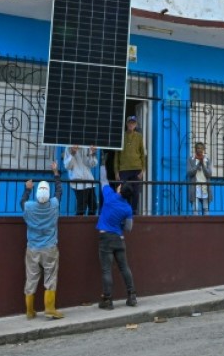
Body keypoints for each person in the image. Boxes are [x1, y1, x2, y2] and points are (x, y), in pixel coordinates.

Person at [20, 162, 64, 320]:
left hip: (32, 248)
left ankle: (30, 311)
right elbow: (59, 191)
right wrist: (56, 173)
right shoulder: (54, 205)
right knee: (50, 277)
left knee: (31, 278)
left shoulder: (30, 207)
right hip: (50, 248)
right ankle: (50, 308)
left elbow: (22, 202)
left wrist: (27, 189)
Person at [96, 174, 137, 310]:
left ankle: (107, 299)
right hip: (119, 239)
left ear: (119, 189)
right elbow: (129, 228)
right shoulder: (127, 208)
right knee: (124, 267)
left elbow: (103, 180)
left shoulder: (110, 197)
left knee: (107, 269)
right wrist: (120, 224)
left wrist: (102, 165)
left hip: (106, 238)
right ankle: (132, 296)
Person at [115, 115, 146, 214]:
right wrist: (116, 171)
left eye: (133, 123)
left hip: (136, 168)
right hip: (124, 169)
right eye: (129, 122)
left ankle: (134, 211)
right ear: (126, 124)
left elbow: (142, 154)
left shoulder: (139, 137)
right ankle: (125, 210)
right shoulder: (121, 136)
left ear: (136, 124)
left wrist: (143, 170)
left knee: (135, 192)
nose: (131, 124)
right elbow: (117, 155)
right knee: (124, 191)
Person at [63, 145, 98, 216]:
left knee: (93, 206)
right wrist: (72, 153)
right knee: (81, 208)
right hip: (78, 183)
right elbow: (68, 166)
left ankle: (90, 225)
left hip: (89, 181)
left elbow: (92, 164)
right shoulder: (68, 147)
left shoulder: (87, 146)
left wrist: (93, 153)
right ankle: (78, 225)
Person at [187, 142, 213, 215]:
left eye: (201, 148)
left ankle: (206, 223)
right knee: (195, 208)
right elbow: (189, 173)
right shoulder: (191, 159)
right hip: (195, 187)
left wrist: (203, 166)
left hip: (205, 187)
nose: (200, 150)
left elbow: (209, 174)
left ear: (204, 149)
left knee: (206, 208)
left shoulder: (207, 160)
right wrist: (197, 165)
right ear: (195, 149)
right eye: (198, 148)